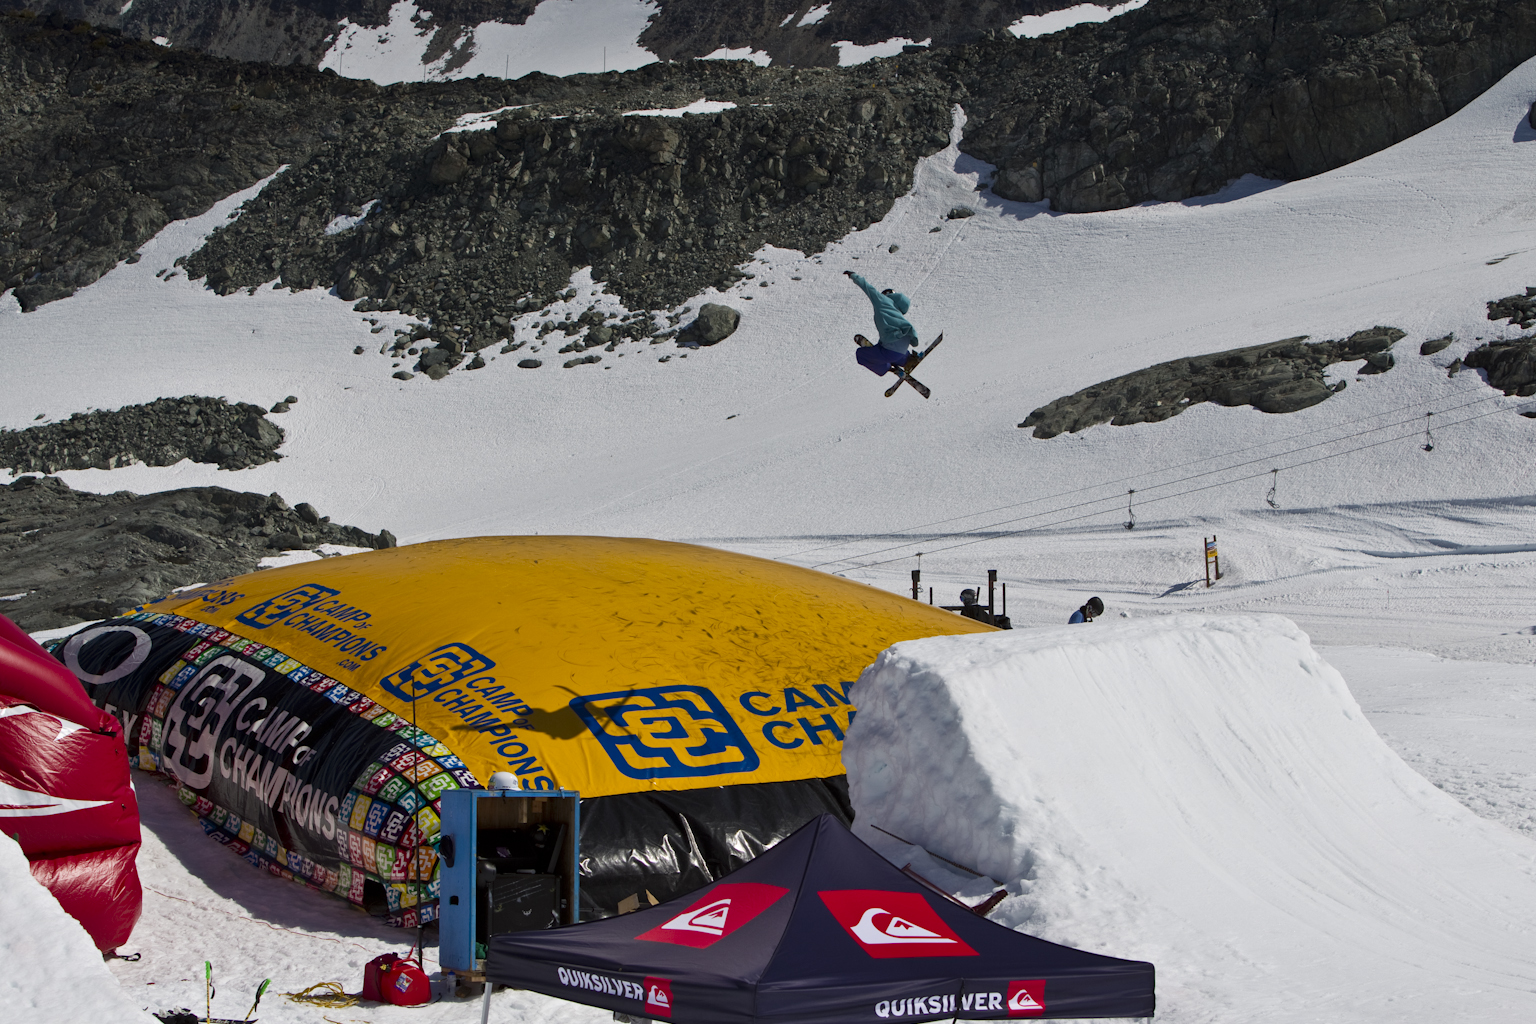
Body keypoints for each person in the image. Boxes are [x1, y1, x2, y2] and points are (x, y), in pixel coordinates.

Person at [845, 270, 920, 376]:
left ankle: (886, 367)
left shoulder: (883, 301)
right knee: (885, 347)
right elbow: (888, 334)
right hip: (903, 345)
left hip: (892, 350)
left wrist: (854, 276)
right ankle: (908, 360)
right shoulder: (896, 310)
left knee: (861, 355)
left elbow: (870, 290)